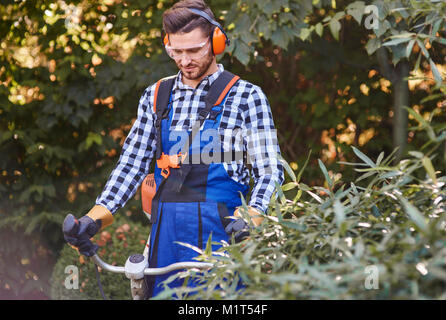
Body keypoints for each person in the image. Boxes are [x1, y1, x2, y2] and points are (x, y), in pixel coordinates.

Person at [63, 0, 284, 298]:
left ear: (216, 42)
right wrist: (93, 219)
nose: (185, 60)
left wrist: (253, 217)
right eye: (176, 52)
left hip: (223, 240)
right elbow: (130, 166)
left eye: (194, 50)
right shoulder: (156, 97)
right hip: (164, 242)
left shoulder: (247, 97)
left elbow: (270, 170)